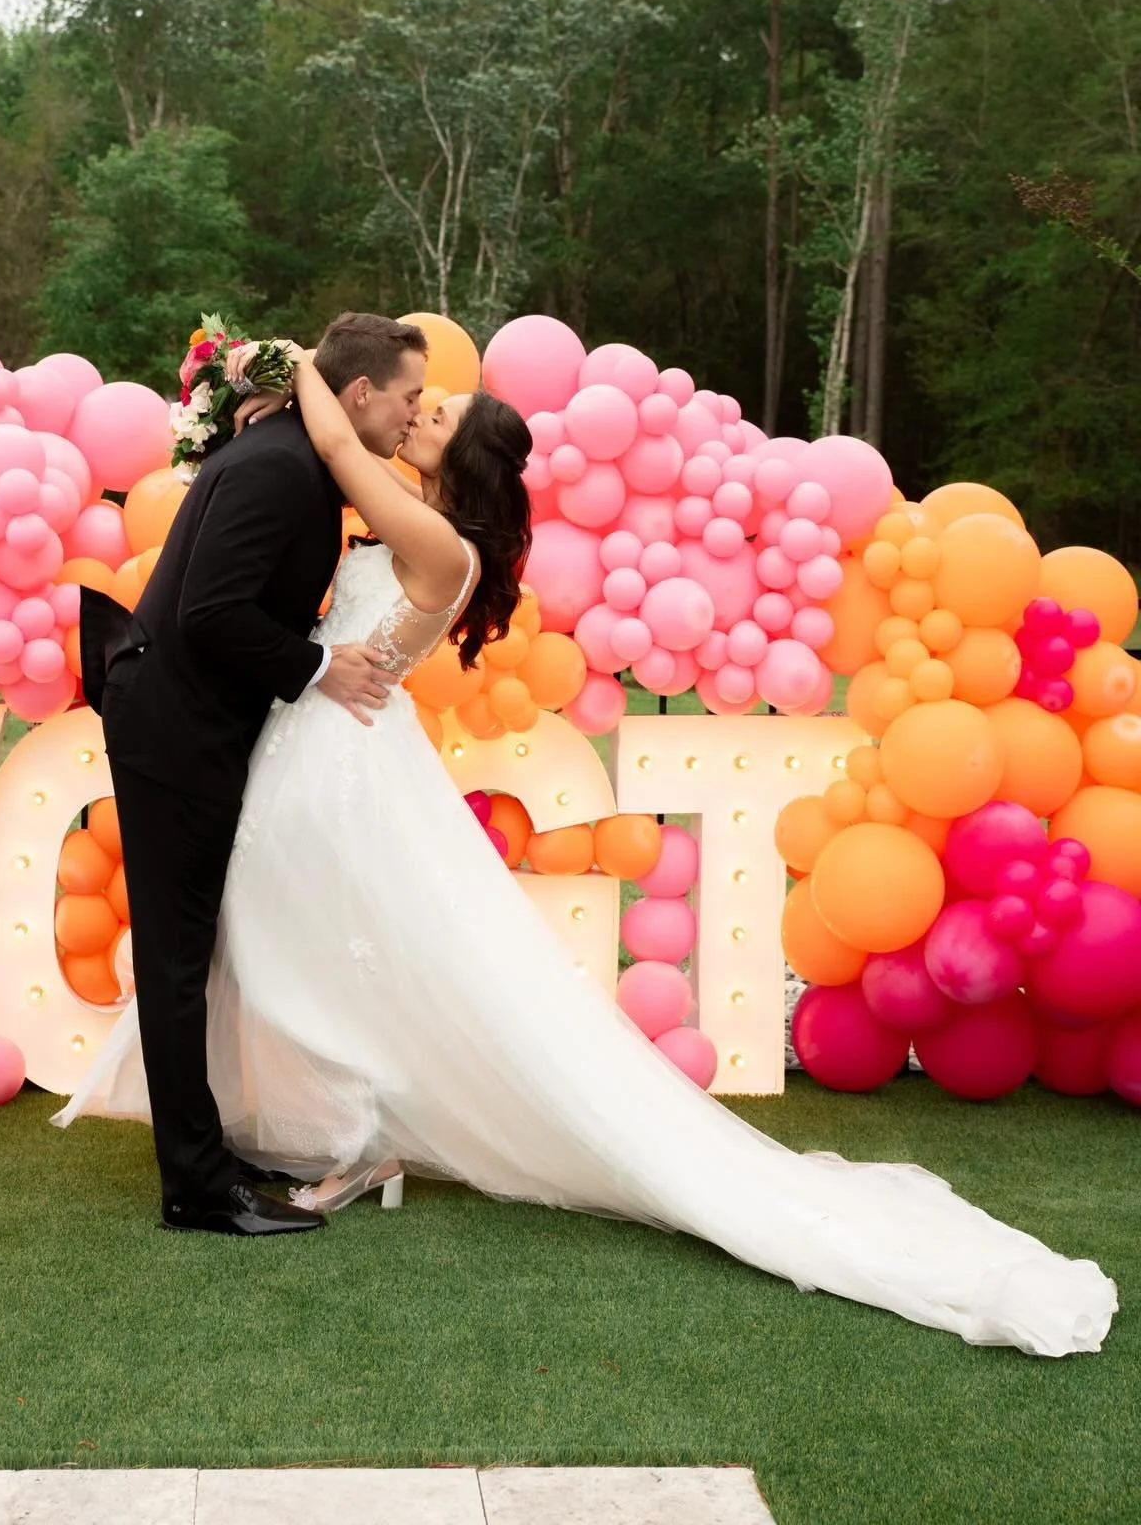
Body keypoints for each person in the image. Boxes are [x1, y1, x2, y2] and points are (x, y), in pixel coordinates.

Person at [60, 340, 1117, 1355]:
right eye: (417, 400)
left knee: (302, 937)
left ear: (460, 460)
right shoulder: (409, 526)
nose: (418, 413)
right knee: (288, 937)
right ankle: (315, 1130)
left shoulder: (440, 545)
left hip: (336, 757)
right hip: (312, 745)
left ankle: (321, 1134)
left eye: (435, 414)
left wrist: (286, 367)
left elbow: (340, 449)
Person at [77, 312, 428, 1236]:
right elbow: (210, 613)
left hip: (190, 724)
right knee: (177, 955)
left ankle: (206, 1152)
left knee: (192, 950)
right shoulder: (277, 466)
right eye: (408, 396)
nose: (412, 413)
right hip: (175, 731)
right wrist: (320, 668)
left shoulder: (287, 455)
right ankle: (196, 1188)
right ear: (358, 394)